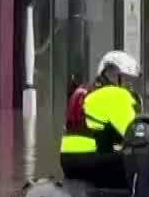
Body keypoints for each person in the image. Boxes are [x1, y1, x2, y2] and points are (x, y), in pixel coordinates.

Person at [58, 51, 140, 189]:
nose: (129, 86)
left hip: (67, 161)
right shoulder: (115, 95)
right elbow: (134, 134)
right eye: (126, 80)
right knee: (140, 161)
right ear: (116, 78)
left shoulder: (82, 92)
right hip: (92, 160)